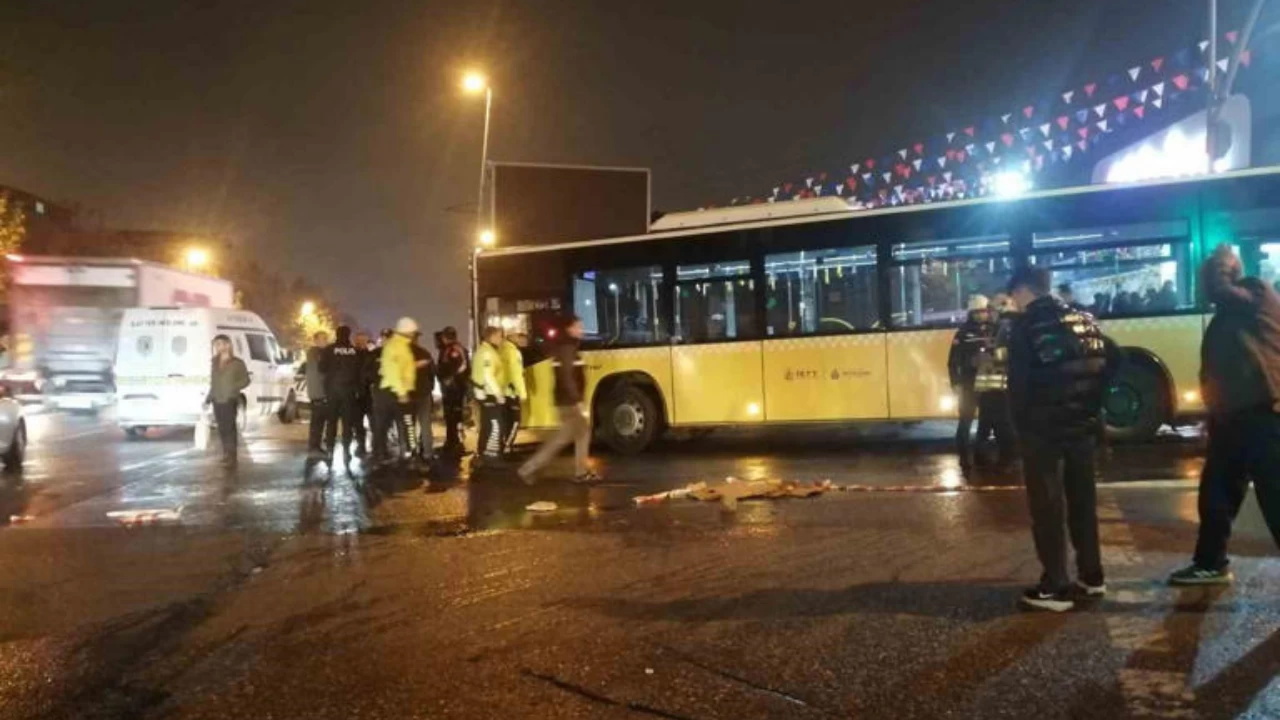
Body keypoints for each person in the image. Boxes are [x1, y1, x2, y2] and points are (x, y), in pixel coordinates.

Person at [1170, 246, 1280, 585]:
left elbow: (1219, 287)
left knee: (1275, 497)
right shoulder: (1229, 312)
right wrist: (1212, 413)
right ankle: (1210, 562)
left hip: (1264, 416)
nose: (1203, 288)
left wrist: (1222, 258)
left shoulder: (1256, 292)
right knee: (1216, 494)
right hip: (1231, 419)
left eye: (1206, 277)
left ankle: (1210, 561)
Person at [1007, 266, 1113, 612]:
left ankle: (1055, 586)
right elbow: (1115, 358)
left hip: (1044, 434)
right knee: (1082, 503)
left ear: (1024, 291)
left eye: (1014, 297)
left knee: (1048, 507)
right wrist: (1093, 405)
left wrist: (1020, 431)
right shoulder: (1083, 319)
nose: (1014, 304)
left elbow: (1019, 388)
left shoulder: (1025, 328)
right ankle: (1092, 577)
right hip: (1082, 428)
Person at [518, 315, 600, 484]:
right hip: (569, 403)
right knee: (564, 438)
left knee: (578, 434)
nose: (581, 330)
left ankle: (580, 472)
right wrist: (577, 400)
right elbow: (567, 376)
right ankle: (529, 468)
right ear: (569, 329)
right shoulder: (568, 348)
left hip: (566, 401)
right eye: (578, 326)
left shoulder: (567, 347)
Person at [948, 294, 996, 471]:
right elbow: (953, 361)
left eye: (983, 311)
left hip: (990, 383)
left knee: (987, 422)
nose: (980, 315)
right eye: (976, 312)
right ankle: (964, 458)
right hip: (969, 383)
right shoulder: (963, 333)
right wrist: (956, 383)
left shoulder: (994, 330)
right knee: (966, 421)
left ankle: (981, 456)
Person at [375, 318, 418, 465]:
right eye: (413, 332)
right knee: (388, 424)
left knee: (393, 424)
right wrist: (401, 392)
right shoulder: (394, 346)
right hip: (392, 393)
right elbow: (393, 371)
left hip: (398, 391)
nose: (414, 335)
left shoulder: (402, 346)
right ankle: (381, 455)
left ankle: (407, 453)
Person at [320, 325, 364, 466]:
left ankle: (330, 451)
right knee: (347, 423)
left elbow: (321, 368)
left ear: (336, 334)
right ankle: (346, 451)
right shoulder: (354, 351)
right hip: (349, 392)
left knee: (331, 422)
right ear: (348, 335)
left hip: (332, 391)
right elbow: (359, 372)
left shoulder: (329, 350)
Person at [206, 334, 250, 468]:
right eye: (216, 345)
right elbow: (213, 382)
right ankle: (225, 453)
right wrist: (208, 398)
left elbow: (246, 380)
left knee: (230, 428)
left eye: (220, 344)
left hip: (230, 398)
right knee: (222, 428)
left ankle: (232, 456)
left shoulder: (237, 363)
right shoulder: (214, 362)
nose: (218, 347)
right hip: (217, 399)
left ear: (227, 345)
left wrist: (233, 387)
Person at [471, 326, 506, 465]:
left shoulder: (487, 351)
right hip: (489, 394)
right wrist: (498, 394)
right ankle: (492, 457)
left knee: (487, 425)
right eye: (499, 336)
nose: (501, 339)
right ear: (491, 337)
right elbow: (488, 375)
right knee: (496, 425)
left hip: (486, 393)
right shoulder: (487, 353)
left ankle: (484, 454)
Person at [436, 327, 470, 457]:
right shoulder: (449, 348)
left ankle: (457, 444)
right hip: (452, 388)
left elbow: (462, 366)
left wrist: (450, 379)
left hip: (455, 388)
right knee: (451, 417)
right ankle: (451, 442)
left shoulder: (454, 349)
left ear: (445, 337)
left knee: (455, 415)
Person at [410, 332, 437, 463]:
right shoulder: (425, 353)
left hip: (408, 394)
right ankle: (428, 452)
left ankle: (411, 452)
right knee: (425, 424)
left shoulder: (401, 354)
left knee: (409, 425)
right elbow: (432, 373)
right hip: (424, 393)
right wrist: (430, 387)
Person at [500, 331, 528, 454]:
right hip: (511, 392)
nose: (522, 339)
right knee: (515, 421)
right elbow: (517, 375)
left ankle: (504, 446)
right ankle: (507, 448)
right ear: (512, 337)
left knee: (505, 421)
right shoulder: (514, 353)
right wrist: (522, 393)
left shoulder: (500, 349)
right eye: (519, 336)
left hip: (502, 392)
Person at [305, 330, 332, 459]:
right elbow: (322, 373)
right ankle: (314, 448)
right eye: (322, 339)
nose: (325, 341)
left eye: (326, 338)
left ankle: (315, 447)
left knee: (318, 423)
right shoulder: (316, 354)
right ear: (315, 340)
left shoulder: (314, 353)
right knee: (317, 423)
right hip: (320, 393)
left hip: (318, 393)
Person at [351, 330, 373, 457]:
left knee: (363, 422)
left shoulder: (354, 355)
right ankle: (363, 445)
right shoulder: (369, 355)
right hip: (363, 393)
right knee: (359, 422)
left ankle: (363, 446)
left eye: (362, 340)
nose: (360, 343)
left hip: (363, 393)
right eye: (359, 340)